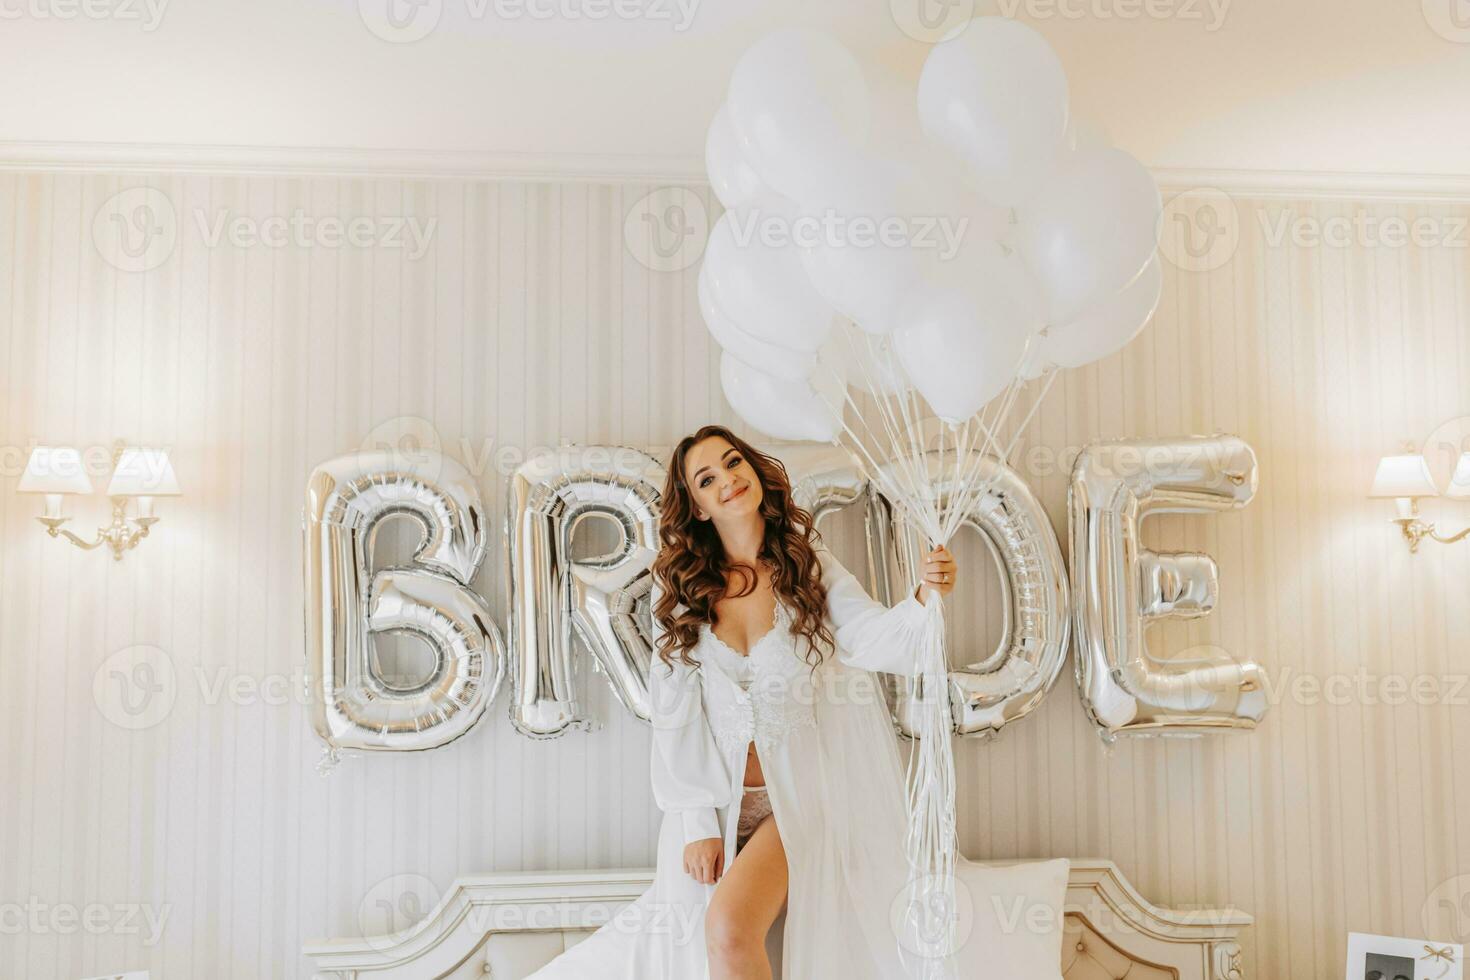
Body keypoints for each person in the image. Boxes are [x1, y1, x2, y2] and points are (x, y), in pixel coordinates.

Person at [526, 424, 957, 980]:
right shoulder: (684, 588)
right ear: (698, 507)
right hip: (719, 800)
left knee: (728, 929)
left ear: (753, 471)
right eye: (708, 478)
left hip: (802, 800)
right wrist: (696, 822)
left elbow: (872, 637)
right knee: (680, 951)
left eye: (733, 463)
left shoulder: (807, 567)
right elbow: (674, 714)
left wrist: (924, 597)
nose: (728, 480)